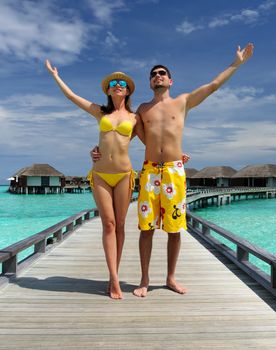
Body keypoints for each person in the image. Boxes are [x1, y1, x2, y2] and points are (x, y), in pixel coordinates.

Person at [92, 43, 254, 298]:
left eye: (162, 73)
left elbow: (212, 86)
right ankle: (144, 279)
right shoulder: (142, 110)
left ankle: (170, 278)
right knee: (146, 228)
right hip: (149, 172)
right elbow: (126, 137)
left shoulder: (183, 101)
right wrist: (96, 151)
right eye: (153, 74)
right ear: (150, 83)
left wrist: (236, 64)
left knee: (174, 228)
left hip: (174, 172)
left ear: (170, 81)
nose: (157, 76)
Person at [45, 60, 144, 299]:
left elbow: (152, 144)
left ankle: (114, 275)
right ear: (108, 90)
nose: (117, 85)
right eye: (113, 83)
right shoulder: (101, 112)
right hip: (99, 174)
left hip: (124, 175)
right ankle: (113, 278)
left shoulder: (135, 118)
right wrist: (56, 75)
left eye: (122, 83)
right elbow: (71, 97)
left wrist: (176, 156)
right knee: (108, 224)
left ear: (128, 90)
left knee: (120, 226)